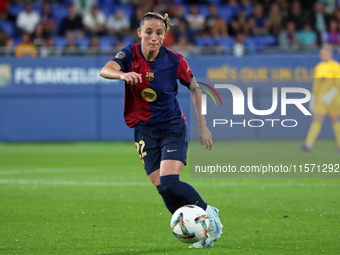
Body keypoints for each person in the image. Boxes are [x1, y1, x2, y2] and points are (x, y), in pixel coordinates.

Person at [100, 12, 223, 248]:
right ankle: (200, 234)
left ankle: (209, 213)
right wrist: (122, 74)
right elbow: (105, 70)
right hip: (144, 131)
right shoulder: (129, 54)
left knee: (169, 181)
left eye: (159, 33)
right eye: (148, 32)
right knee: (163, 189)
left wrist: (203, 127)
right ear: (140, 34)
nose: (153, 37)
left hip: (172, 127)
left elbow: (195, 90)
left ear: (165, 35)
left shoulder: (175, 61)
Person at [300, 45, 340, 152]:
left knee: (335, 121)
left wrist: (330, 94)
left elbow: (338, 84)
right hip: (321, 99)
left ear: (330, 54)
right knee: (316, 120)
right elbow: (316, 84)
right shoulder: (318, 67)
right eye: (322, 53)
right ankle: (308, 144)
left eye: (326, 53)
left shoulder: (336, 66)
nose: (324, 55)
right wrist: (313, 97)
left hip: (333, 99)